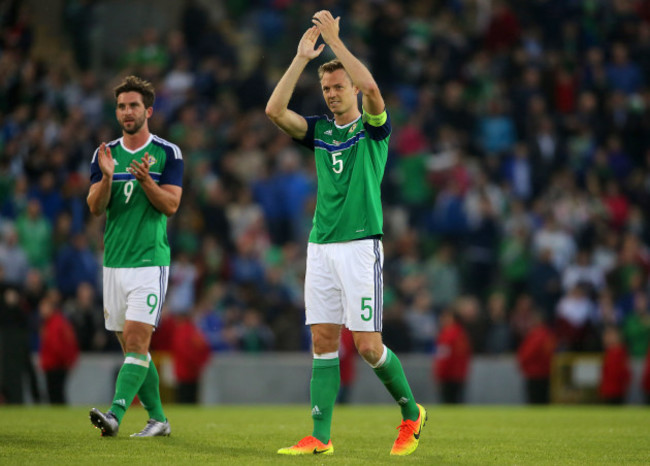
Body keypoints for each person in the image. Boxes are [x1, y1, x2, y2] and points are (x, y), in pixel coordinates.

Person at [266, 11, 426, 456]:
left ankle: (411, 414)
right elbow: (274, 111)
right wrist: (301, 59)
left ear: (350, 88)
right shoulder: (319, 132)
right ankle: (320, 436)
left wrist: (336, 43)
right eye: (326, 89)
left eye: (338, 87)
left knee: (369, 347)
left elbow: (373, 89)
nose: (332, 94)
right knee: (322, 341)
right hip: (320, 246)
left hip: (360, 247)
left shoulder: (373, 129)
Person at [86, 75, 183, 437]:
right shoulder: (105, 154)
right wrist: (108, 178)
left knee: (138, 343)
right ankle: (159, 419)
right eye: (122, 106)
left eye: (134, 106)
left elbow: (171, 205)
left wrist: (146, 181)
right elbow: (95, 208)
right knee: (133, 349)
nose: (127, 112)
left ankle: (114, 414)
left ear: (149, 111)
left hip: (149, 262)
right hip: (114, 263)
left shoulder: (167, 153)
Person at [38, 289, 79, 404]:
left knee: (55, 393)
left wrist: (63, 361)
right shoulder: (52, 322)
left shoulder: (55, 323)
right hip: (56, 364)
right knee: (57, 393)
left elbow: (56, 346)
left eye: (43, 306)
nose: (41, 310)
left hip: (55, 365)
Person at [433, 307, 472, 404]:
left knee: (449, 402)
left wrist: (439, 373)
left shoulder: (448, 335)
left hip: (449, 375)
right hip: (458, 375)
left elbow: (444, 357)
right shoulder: (461, 333)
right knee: (457, 401)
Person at [516, 310, 555, 404]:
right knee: (543, 400)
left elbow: (527, 354)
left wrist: (521, 363)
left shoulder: (536, 335)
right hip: (546, 373)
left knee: (534, 402)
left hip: (534, 374)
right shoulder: (548, 335)